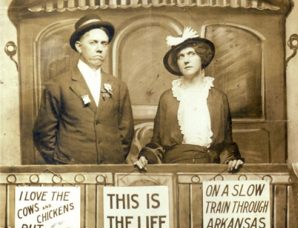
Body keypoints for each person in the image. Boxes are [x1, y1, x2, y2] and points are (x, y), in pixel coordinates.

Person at [134, 27, 243, 172]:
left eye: (191, 54)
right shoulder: (167, 98)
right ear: (177, 63)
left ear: (201, 58)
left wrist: (232, 160)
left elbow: (226, 143)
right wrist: (145, 157)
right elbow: (157, 142)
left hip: (210, 166)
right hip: (174, 165)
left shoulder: (218, 98)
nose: (186, 60)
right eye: (181, 56)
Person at [33, 14, 134, 164]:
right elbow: (44, 134)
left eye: (104, 43)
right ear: (79, 46)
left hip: (111, 168)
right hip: (73, 171)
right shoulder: (58, 85)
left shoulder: (118, 86)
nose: (99, 49)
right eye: (93, 43)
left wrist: (113, 159)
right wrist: (62, 163)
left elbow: (125, 133)